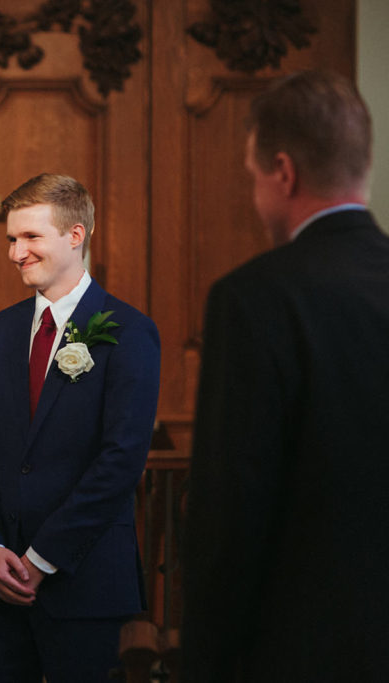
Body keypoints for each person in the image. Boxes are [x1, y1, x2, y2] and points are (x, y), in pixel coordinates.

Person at [181, 70, 389, 681]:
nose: (256, 198)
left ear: (283, 172)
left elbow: (230, 518)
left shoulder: (254, 299)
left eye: (252, 180)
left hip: (301, 647)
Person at [0, 174, 160, 681]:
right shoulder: (1, 330)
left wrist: (42, 556)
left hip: (85, 580)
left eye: (31, 237)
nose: (16, 252)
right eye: (12, 238)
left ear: (76, 236)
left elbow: (121, 460)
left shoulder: (128, 330)